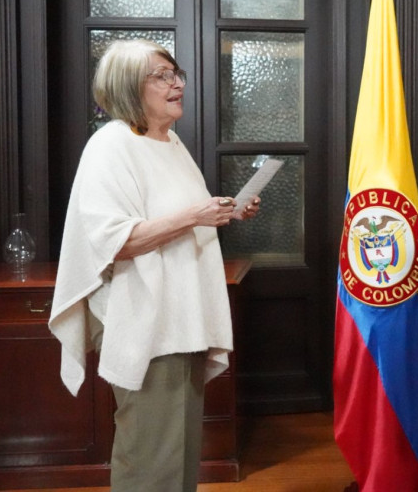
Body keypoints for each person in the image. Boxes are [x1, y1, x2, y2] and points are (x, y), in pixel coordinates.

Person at [48, 39, 260, 492]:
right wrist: (196, 216)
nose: (177, 83)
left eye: (176, 73)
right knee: (151, 460)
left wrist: (226, 210)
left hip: (182, 316)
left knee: (178, 454)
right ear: (128, 87)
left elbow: (178, 219)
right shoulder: (110, 146)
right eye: (162, 76)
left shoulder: (170, 142)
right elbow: (117, 242)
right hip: (144, 320)